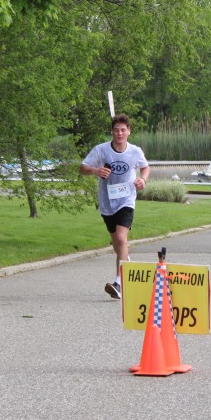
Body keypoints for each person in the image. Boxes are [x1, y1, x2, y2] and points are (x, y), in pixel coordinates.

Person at [80, 114, 150, 299]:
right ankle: (125, 261)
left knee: (120, 238)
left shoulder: (135, 151)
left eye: (123, 130)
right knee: (117, 244)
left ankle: (119, 283)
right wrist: (96, 170)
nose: (120, 133)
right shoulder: (101, 150)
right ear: (112, 131)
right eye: (116, 130)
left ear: (129, 132)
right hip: (107, 202)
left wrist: (143, 179)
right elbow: (82, 168)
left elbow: (145, 167)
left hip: (126, 200)